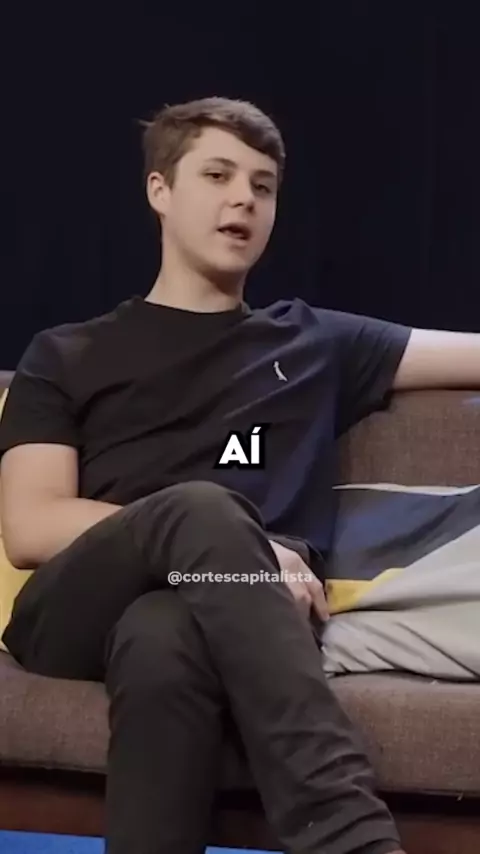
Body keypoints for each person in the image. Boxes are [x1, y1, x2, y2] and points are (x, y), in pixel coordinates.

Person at [4, 96, 478, 854]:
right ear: (160, 190)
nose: (244, 200)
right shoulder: (66, 353)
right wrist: (236, 543)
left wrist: (232, 557)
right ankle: (347, 831)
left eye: (263, 186)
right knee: (204, 509)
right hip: (74, 612)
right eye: (218, 175)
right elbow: (30, 526)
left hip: (227, 613)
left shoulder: (315, 342)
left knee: (162, 637)